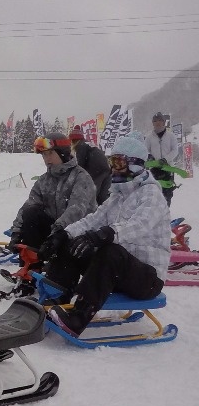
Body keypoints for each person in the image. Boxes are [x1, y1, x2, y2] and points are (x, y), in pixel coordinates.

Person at [41, 132, 170, 336]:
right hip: (119, 273)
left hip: (147, 278)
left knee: (111, 252)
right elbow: (93, 220)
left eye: (118, 163)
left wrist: (106, 234)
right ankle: (57, 298)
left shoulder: (151, 195)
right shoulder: (117, 197)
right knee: (75, 245)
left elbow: (140, 225)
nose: (113, 168)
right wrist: (64, 235)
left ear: (135, 165)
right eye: (112, 162)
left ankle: (78, 317)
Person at [7, 133, 96, 269]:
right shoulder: (44, 180)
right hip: (54, 234)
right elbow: (29, 205)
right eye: (44, 155)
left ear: (63, 153)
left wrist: (57, 233)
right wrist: (17, 232)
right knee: (31, 214)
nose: (46, 158)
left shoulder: (81, 177)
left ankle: (57, 266)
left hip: (78, 234)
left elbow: (76, 210)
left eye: (50, 153)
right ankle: (31, 268)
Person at [145, 112, 185, 207]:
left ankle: (166, 212)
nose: (157, 123)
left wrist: (165, 159)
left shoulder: (171, 136)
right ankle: (155, 212)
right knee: (154, 192)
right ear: (153, 123)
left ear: (164, 122)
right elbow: (145, 150)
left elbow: (175, 150)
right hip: (154, 169)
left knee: (167, 193)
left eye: (160, 120)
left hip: (168, 168)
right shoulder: (149, 137)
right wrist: (149, 156)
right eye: (155, 121)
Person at [69, 125, 112, 204]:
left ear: (74, 141)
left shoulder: (80, 147)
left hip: (99, 172)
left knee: (93, 197)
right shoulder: (86, 145)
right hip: (104, 170)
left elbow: (81, 167)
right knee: (101, 196)